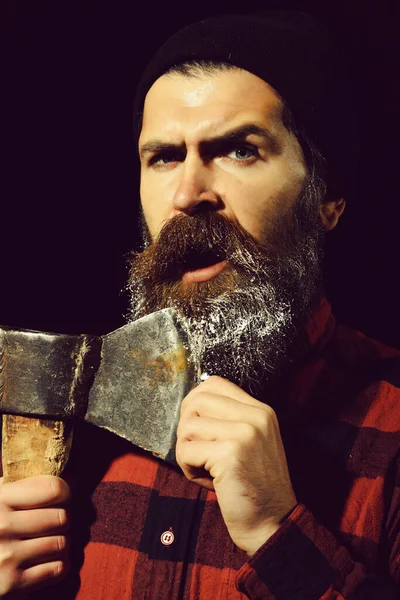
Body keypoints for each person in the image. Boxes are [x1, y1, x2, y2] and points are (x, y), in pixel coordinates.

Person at [1, 10, 400, 599]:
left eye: (239, 149)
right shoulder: (73, 434)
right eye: (163, 157)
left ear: (328, 197)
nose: (187, 195)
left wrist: (276, 531)